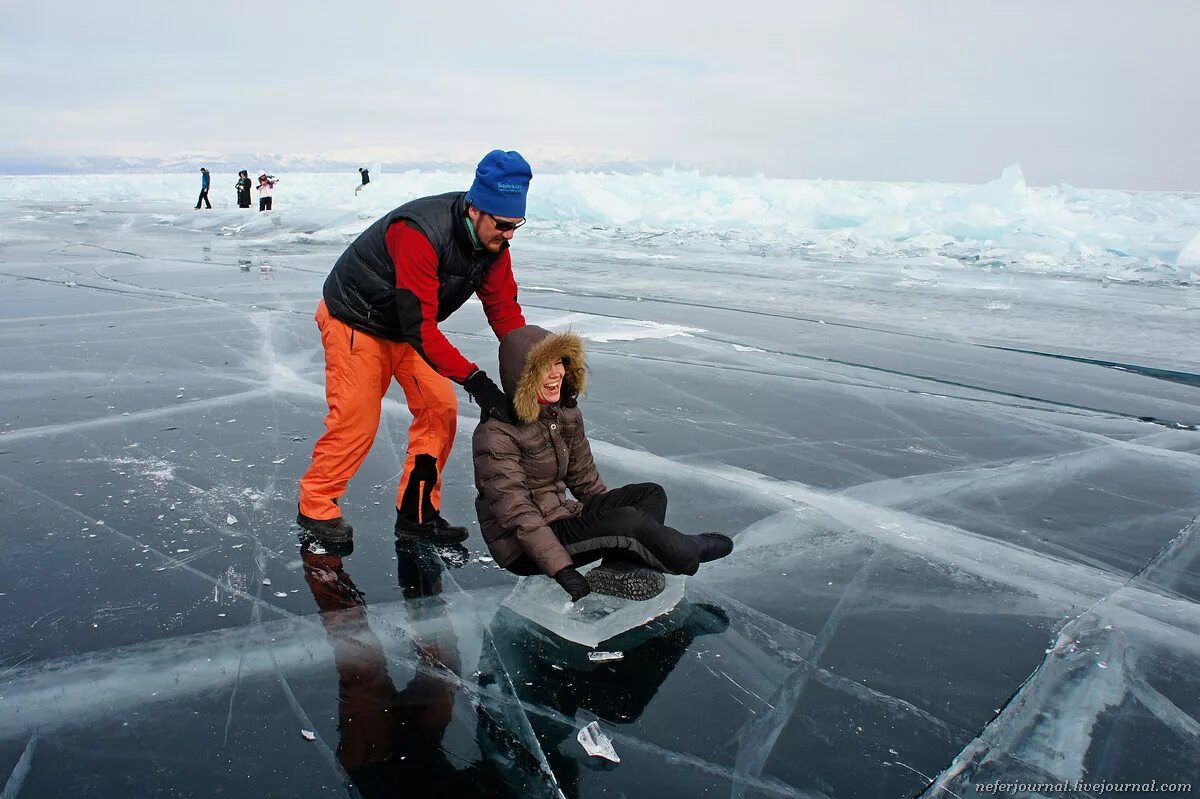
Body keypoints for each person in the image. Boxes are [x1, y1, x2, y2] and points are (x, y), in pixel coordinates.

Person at [297, 149, 533, 548]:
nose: (509, 234)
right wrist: (478, 382)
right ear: (476, 208)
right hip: (356, 319)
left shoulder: (493, 249)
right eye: (504, 224)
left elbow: (505, 314)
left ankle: (417, 512)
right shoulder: (419, 232)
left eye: (517, 225)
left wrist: (536, 369)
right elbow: (420, 327)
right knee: (356, 419)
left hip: (406, 328)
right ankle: (316, 505)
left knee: (439, 408)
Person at [472, 325, 734, 602]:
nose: (556, 373)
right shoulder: (495, 434)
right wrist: (562, 569)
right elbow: (518, 514)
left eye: (560, 362)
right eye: (543, 366)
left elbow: (584, 478)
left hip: (562, 516)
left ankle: (620, 567)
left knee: (649, 495)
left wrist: (607, 521)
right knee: (627, 522)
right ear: (522, 376)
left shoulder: (564, 414)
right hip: (523, 547)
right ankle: (688, 551)